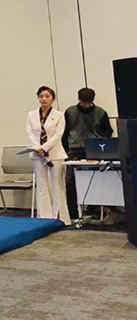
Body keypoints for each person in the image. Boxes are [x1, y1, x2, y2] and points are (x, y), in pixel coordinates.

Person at [63, 87, 114, 222]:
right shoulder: (70, 112)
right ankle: (73, 212)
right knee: (71, 181)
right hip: (74, 149)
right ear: (79, 100)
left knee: (95, 180)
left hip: (95, 149)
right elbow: (64, 132)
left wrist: (102, 147)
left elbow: (108, 132)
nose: (86, 105)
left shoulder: (100, 112)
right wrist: (65, 151)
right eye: (83, 102)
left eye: (88, 102)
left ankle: (93, 210)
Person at [26, 86, 71, 225]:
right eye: (41, 96)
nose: (44, 99)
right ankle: (44, 217)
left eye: (47, 96)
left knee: (57, 185)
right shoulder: (31, 114)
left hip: (55, 153)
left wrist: (44, 147)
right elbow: (29, 132)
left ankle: (60, 218)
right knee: (41, 185)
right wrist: (38, 148)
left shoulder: (59, 115)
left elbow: (58, 135)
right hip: (37, 154)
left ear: (53, 99)